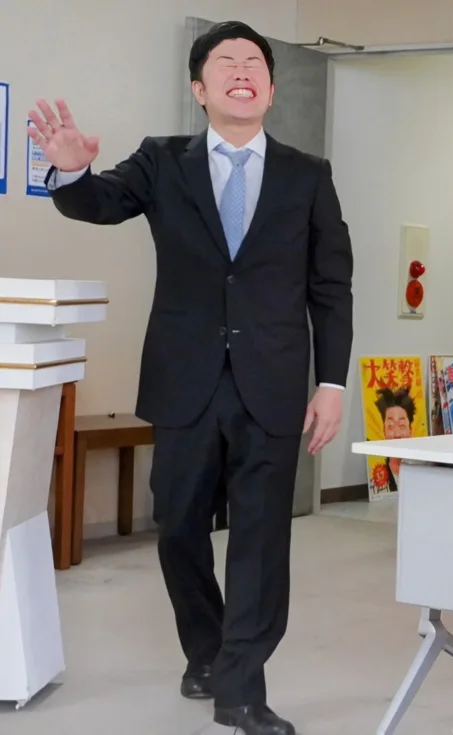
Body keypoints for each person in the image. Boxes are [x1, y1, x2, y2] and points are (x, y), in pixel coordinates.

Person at [28, 21, 353, 735]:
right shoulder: (162, 160)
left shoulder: (308, 174)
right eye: (225, 61)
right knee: (178, 526)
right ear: (199, 89)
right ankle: (205, 651)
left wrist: (331, 383)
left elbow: (331, 287)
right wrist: (73, 174)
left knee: (261, 540)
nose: (243, 71)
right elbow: (100, 203)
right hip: (185, 379)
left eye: (255, 63)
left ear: (271, 89)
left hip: (272, 382)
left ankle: (241, 687)